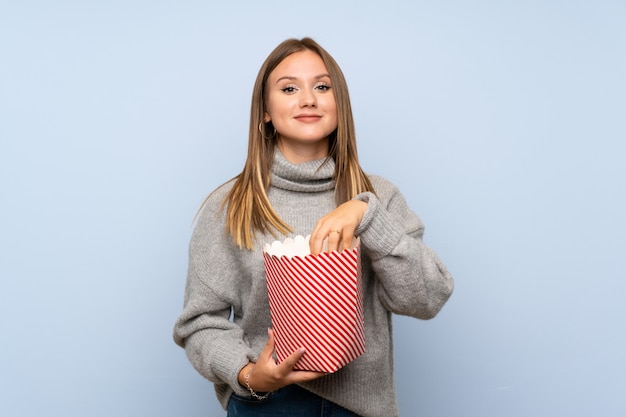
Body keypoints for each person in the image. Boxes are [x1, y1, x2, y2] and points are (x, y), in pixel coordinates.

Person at [173, 37, 454, 417]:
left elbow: (427, 298)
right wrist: (248, 374)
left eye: (322, 87)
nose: (308, 99)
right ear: (265, 112)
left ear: (340, 104)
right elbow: (199, 323)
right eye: (289, 88)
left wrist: (365, 214)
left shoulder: (380, 197)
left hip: (362, 408)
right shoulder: (230, 206)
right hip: (267, 405)